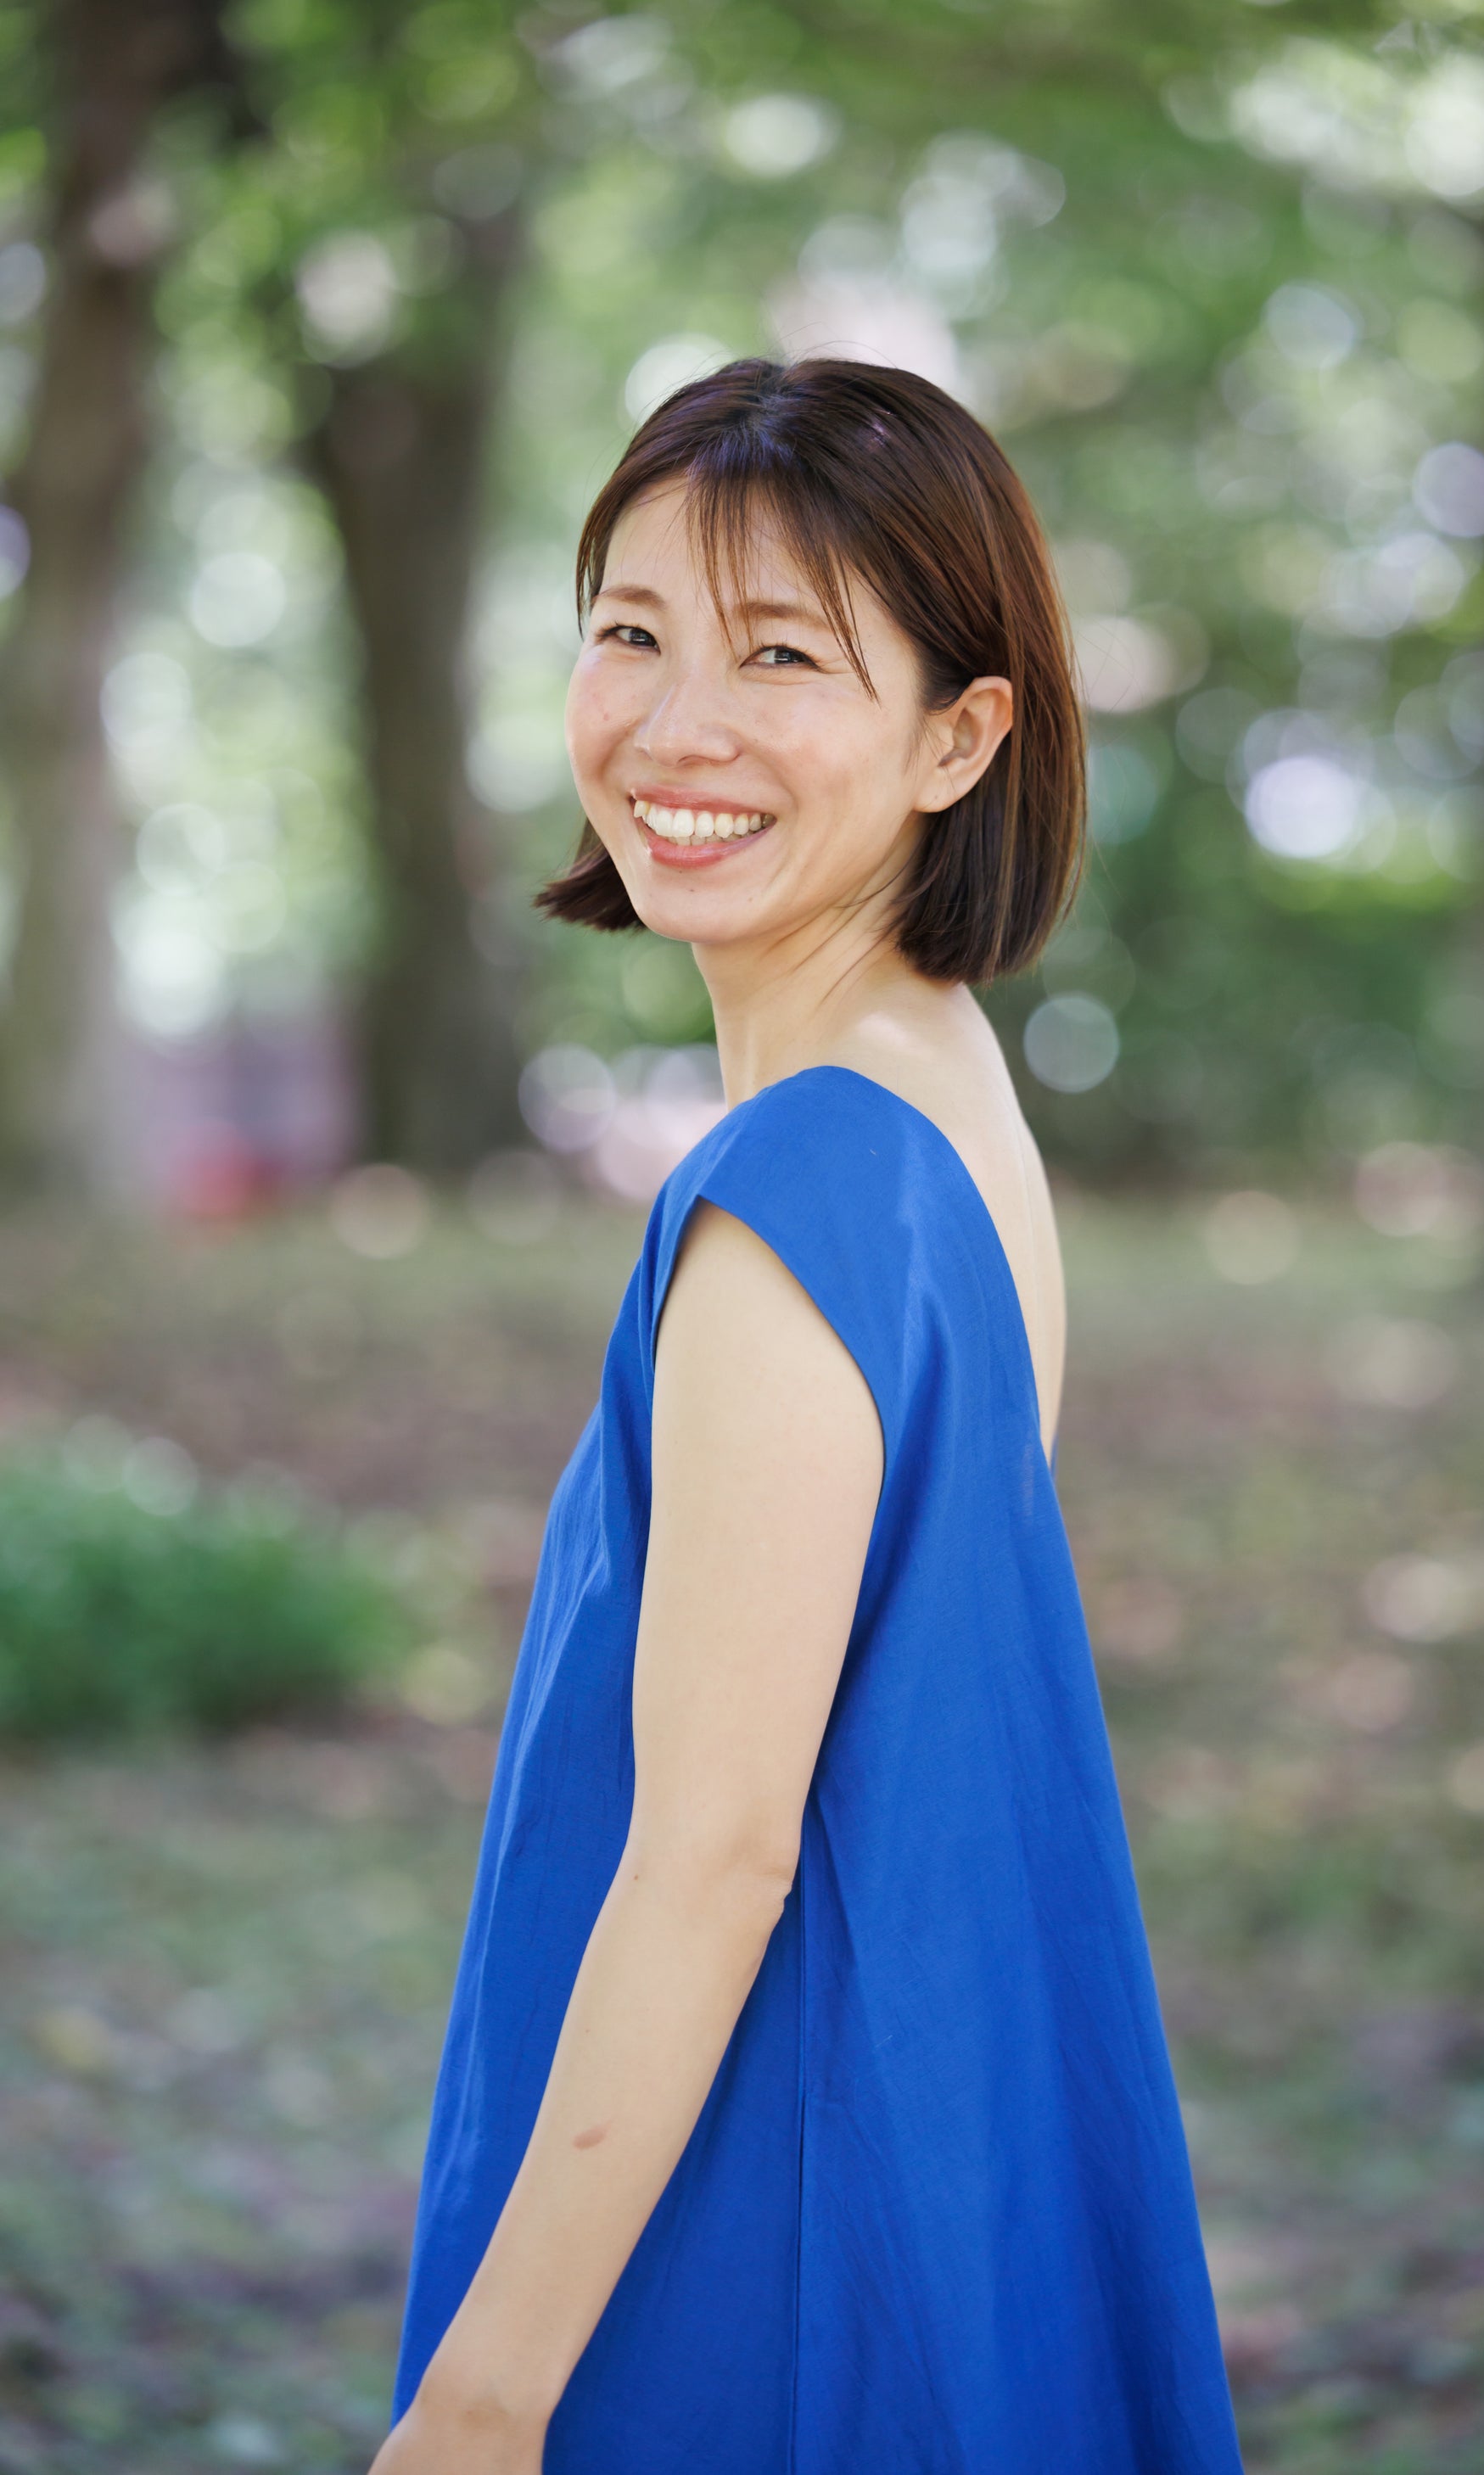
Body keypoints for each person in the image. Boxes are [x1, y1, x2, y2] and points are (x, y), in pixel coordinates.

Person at [372, 357, 1244, 2474]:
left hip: (742, 2222)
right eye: (632, 631)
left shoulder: (804, 1188)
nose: (677, 725)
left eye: (781, 655)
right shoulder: (945, 1095)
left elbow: (717, 1851)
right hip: (905, 2143)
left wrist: (480, 2400)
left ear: (960, 734)